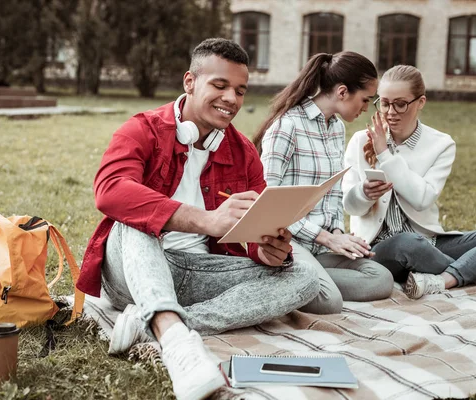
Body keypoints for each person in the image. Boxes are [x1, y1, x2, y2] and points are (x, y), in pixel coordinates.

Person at [76, 38, 320, 400]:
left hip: (199, 271)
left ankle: (159, 325)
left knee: (303, 277)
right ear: (190, 82)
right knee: (136, 219)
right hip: (132, 268)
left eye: (240, 90)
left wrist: (266, 249)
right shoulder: (141, 129)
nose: (232, 99)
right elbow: (110, 190)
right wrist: (205, 220)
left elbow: (254, 225)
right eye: (220, 86)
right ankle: (177, 345)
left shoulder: (244, 151)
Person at [342, 64, 476, 300]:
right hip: (379, 249)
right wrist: (364, 194)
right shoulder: (359, 141)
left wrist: (385, 154)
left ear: (421, 102)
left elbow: (422, 199)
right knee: (407, 243)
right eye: (384, 103)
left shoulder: (441, 144)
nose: (390, 112)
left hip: (430, 243)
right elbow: (349, 206)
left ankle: (445, 279)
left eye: (401, 103)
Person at [253, 51, 394, 314]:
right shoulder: (287, 126)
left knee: (381, 279)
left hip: (322, 245)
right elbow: (267, 201)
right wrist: (325, 237)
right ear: (342, 92)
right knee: (329, 301)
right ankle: (289, 277)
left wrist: (339, 234)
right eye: (365, 99)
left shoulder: (336, 129)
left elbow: (332, 192)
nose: (366, 108)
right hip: (289, 243)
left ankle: (305, 280)